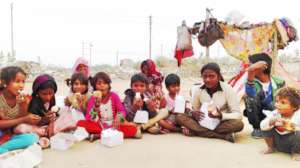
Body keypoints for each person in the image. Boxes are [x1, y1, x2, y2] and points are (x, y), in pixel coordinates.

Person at [176, 63, 244, 143]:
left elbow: (238, 115)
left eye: (211, 76)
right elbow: (195, 109)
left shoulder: (228, 89)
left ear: (218, 77)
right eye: (205, 76)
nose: (207, 79)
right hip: (203, 122)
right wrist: (193, 113)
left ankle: (197, 131)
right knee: (180, 117)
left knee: (239, 124)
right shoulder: (198, 90)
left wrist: (221, 115)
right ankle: (221, 136)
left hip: (221, 123)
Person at [77, 72, 142, 140]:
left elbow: (122, 111)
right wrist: (95, 109)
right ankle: (107, 134)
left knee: (132, 129)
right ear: (95, 86)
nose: (102, 85)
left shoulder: (114, 96)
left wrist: (118, 117)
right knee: (80, 123)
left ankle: (99, 135)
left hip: (114, 124)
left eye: (105, 83)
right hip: (100, 125)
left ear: (108, 85)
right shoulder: (93, 98)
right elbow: (89, 118)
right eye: (99, 84)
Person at [244, 53, 285, 138]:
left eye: (252, 66)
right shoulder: (250, 82)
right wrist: (250, 74)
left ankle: (274, 127)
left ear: (263, 67)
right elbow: (251, 96)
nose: (249, 68)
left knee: (278, 102)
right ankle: (257, 128)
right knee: (250, 99)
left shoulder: (279, 82)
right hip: (258, 115)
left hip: (275, 113)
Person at [0, 66, 38, 154]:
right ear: (5, 82)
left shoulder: (24, 99)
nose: (21, 85)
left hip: (10, 134)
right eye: (17, 81)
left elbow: (22, 121)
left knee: (33, 138)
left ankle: (3, 149)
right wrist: (23, 119)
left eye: (23, 82)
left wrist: (23, 106)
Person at [260, 87, 300, 161]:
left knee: (299, 133)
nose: (277, 105)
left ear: (294, 107)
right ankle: (270, 147)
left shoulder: (298, 115)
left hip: (293, 143)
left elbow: (296, 129)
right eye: (277, 101)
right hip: (278, 143)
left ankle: (296, 152)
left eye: (283, 102)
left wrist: (290, 125)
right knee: (265, 126)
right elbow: (262, 126)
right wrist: (271, 122)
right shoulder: (275, 113)